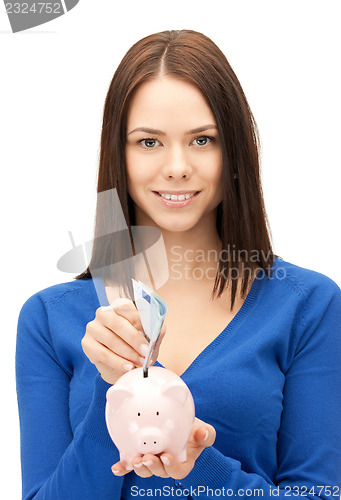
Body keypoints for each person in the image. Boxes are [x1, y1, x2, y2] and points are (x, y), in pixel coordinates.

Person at [16, 30, 341, 500]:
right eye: (148, 143)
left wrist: (199, 468)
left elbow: (320, 495)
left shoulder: (310, 307)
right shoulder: (49, 320)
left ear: (234, 156)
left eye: (203, 140)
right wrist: (112, 397)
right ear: (118, 156)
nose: (176, 166)